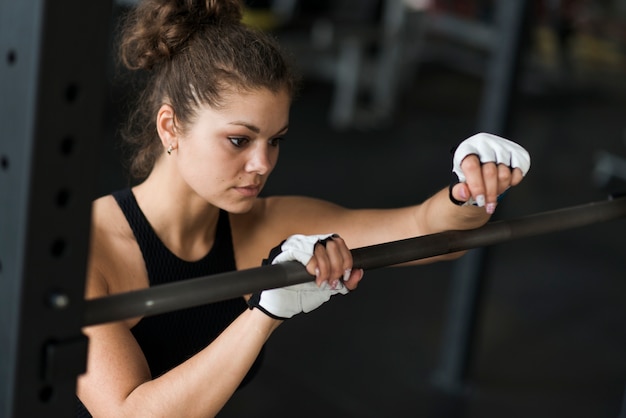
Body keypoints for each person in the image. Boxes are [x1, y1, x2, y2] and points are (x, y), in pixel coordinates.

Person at [76, 0, 531, 416]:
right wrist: (263, 316)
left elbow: (425, 232)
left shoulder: (264, 225)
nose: (262, 164)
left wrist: (470, 189)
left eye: (274, 141)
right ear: (170, 127)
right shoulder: (89, 249)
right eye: (239, 139)